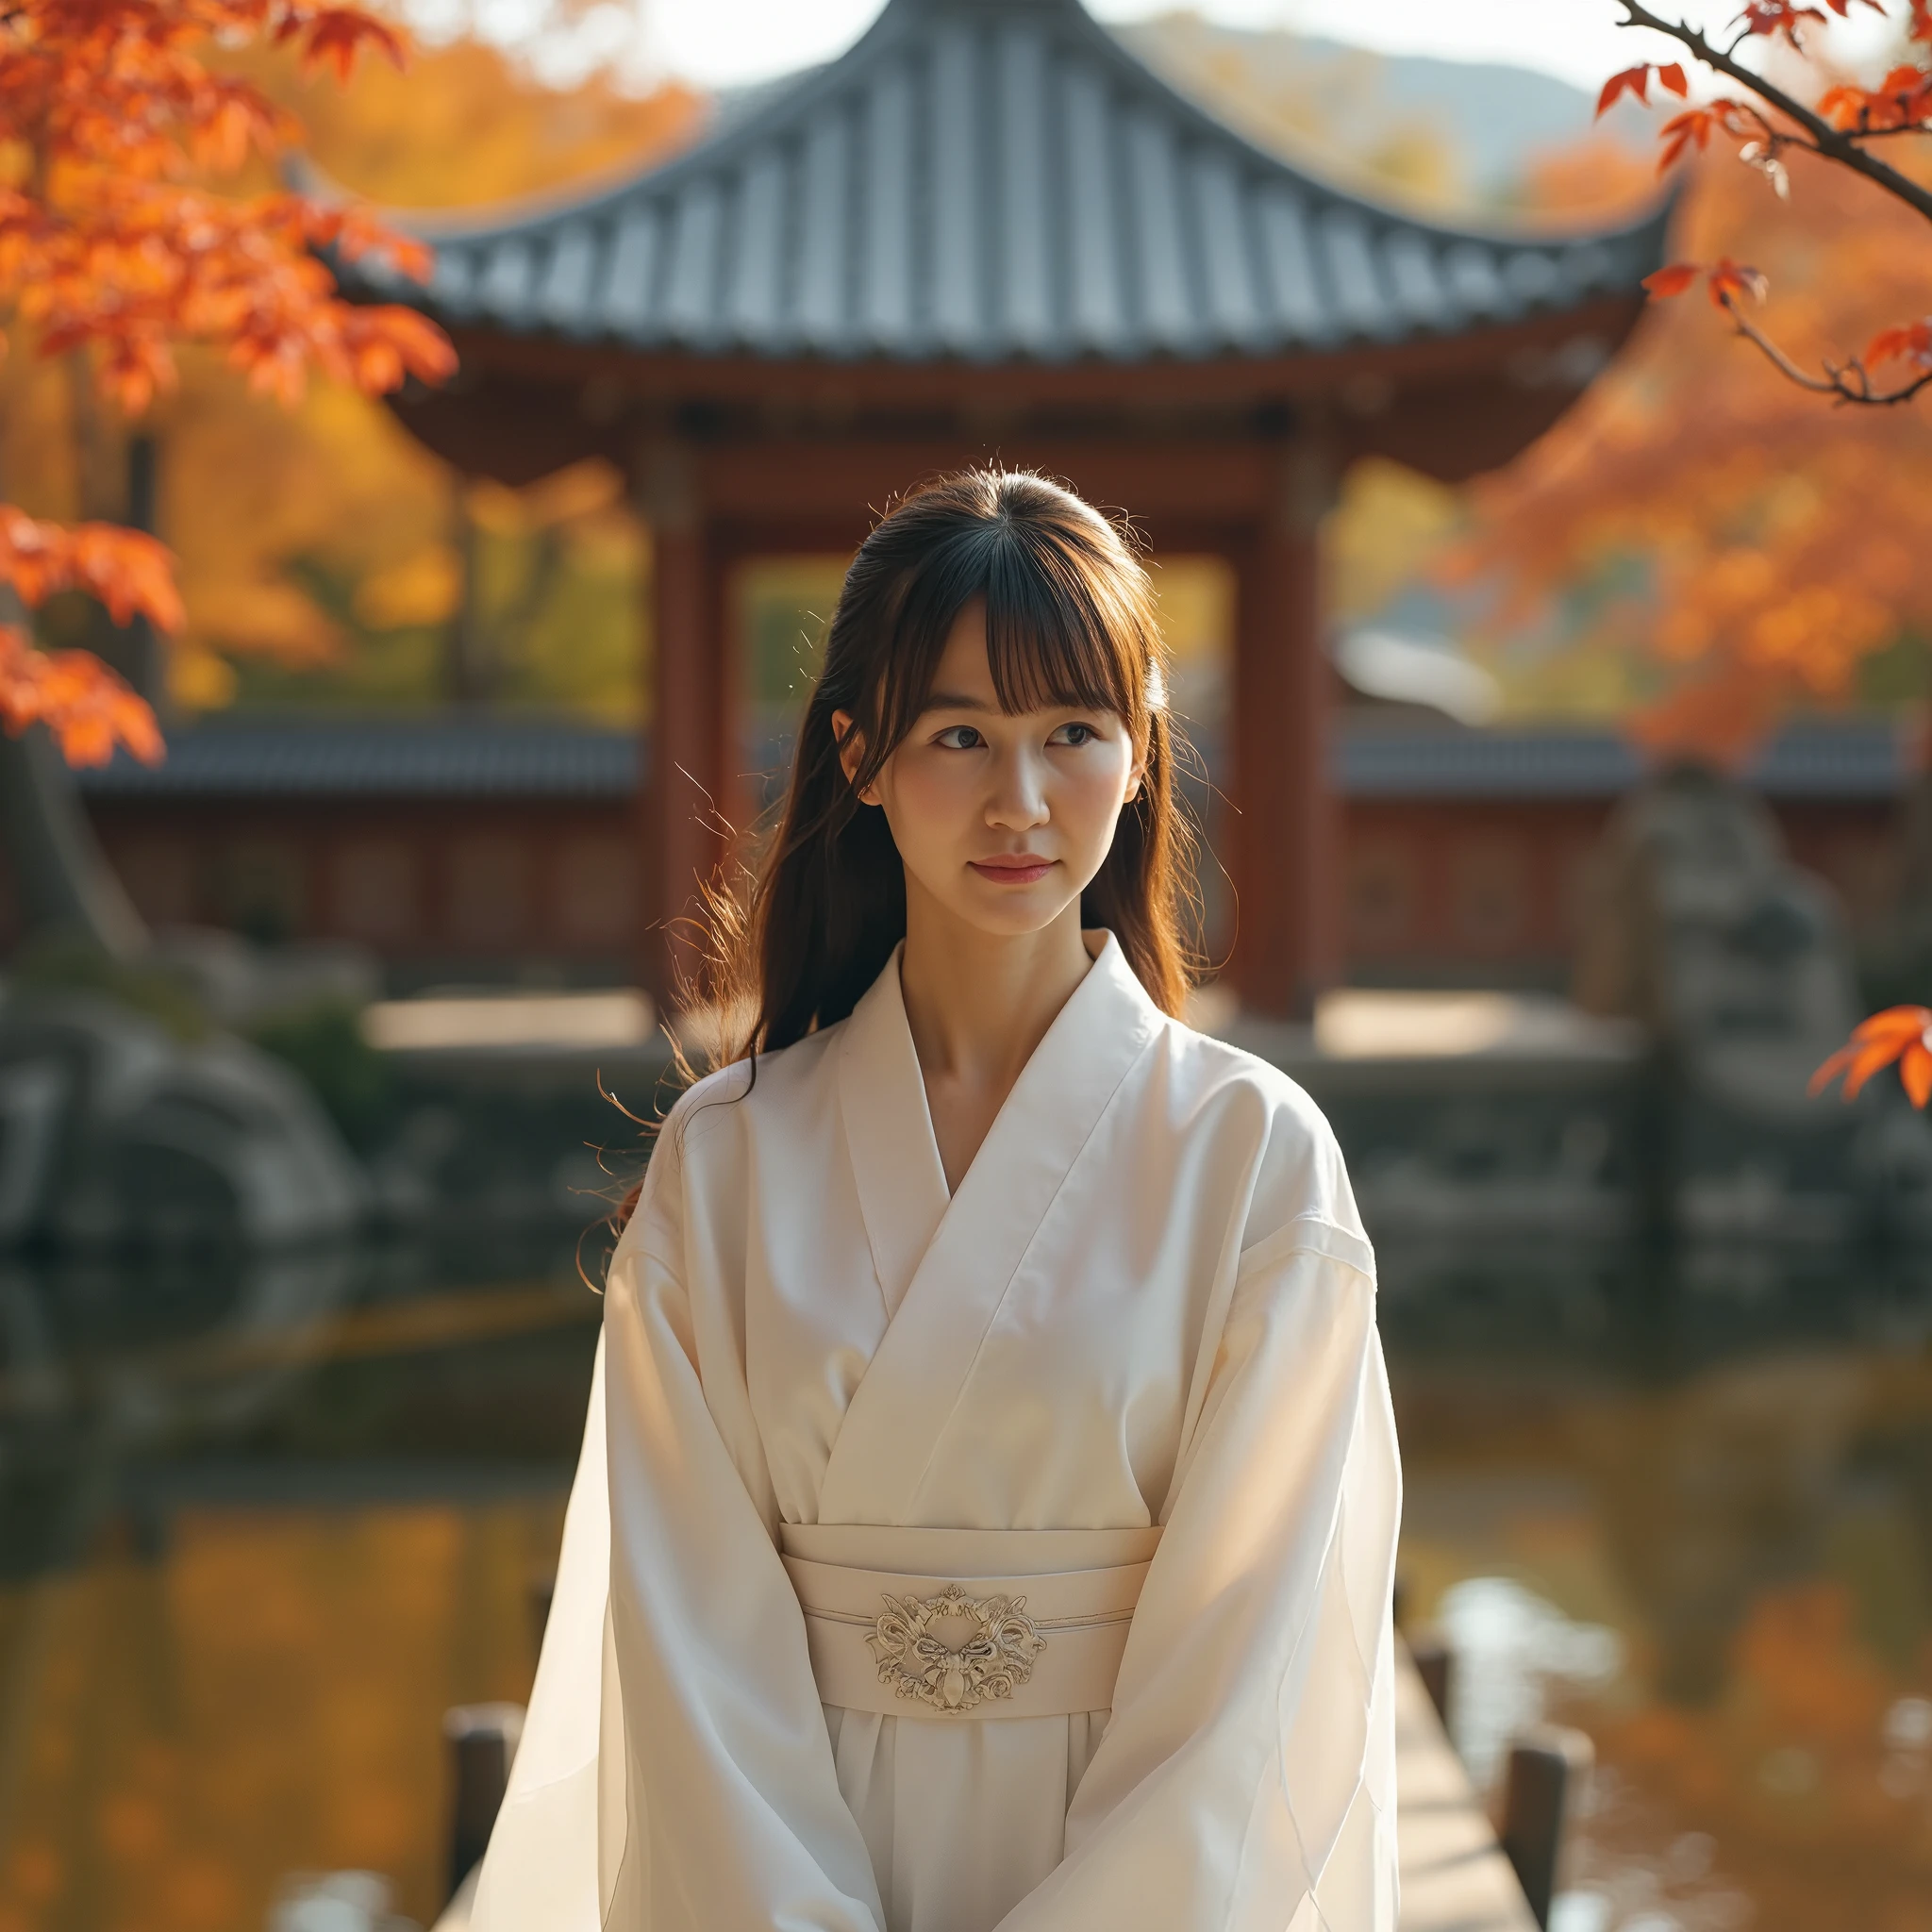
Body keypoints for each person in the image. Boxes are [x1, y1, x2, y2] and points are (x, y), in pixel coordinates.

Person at [469, 470, 1400, 1932]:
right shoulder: (724, 1164)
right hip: (780, 1845)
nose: (1018, 802)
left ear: (1143, 750)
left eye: (1071, 735)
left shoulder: (1252, 1158)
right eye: (958, 734)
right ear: (859, 755)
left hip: (1134, 1864)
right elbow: (688, 1639)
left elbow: (1260, 1658)